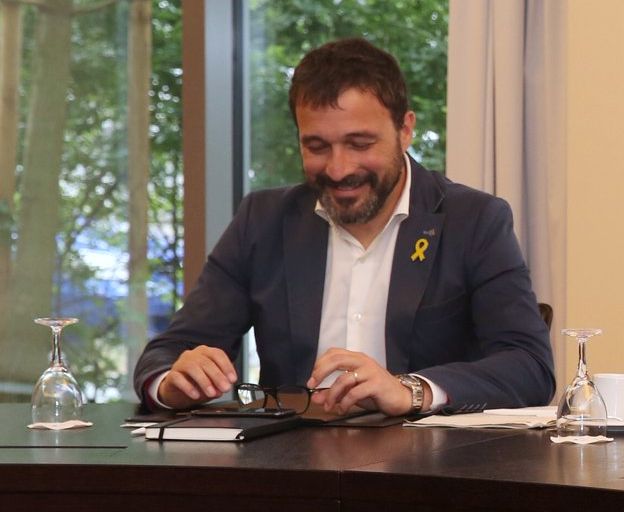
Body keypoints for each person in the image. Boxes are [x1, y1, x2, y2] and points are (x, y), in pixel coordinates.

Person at [131, 38, 554, 417]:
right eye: (317, 147)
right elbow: (168, 353)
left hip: (430, 466)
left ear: (405, 129)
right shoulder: (262, 220)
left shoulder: (474, 220)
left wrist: (411, 390)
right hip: (290, 465)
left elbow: (529, 365)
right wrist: (173, 382)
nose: (338, 169)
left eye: (359, 144)